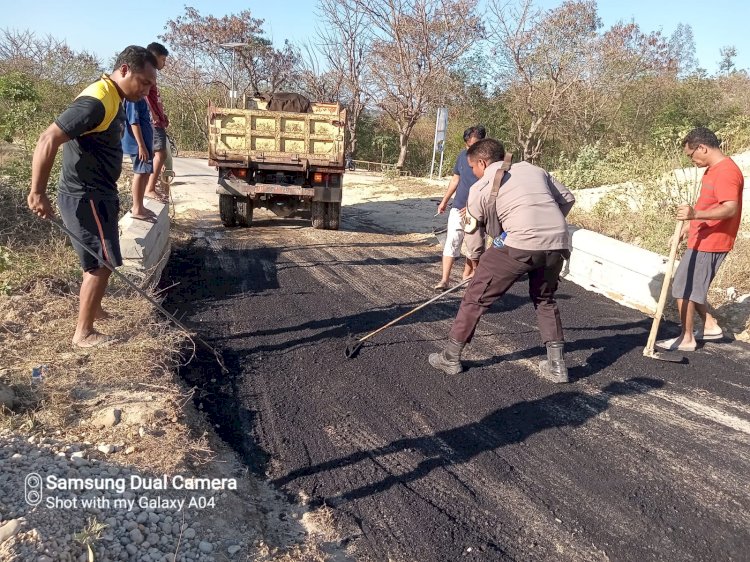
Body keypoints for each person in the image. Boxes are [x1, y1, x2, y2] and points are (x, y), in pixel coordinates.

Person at [27, 46, 157, 348]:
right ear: (124, 70)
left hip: (100, 193)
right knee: (101, 262)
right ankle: (83, 332)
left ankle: (95, 309)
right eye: (144, 82)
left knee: (104, 259)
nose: (147, 90)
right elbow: (48, 138)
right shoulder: (96, 101)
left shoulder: (115, 97)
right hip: (85, 195)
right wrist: (37, 192)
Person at [428, 138, 576, 383]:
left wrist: (477, 267)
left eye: (473, 167)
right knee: (545, 299)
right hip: (557, 243)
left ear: (483, 163)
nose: (473, 173)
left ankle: (450, 357)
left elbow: (474, 237)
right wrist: (544, 228)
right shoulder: (533, 169)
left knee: (474, 298)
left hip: (518, 245)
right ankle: (557, 366)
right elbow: (567, 198)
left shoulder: (480, 188)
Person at [656, 127, 744, 352]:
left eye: (691, 155)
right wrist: (690, 225)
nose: (691, 160)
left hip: (712, 241)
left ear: (702, 148)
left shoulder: (726, 172)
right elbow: (710, 205)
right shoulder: (713, 169)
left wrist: (695, 214)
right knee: (691, 288)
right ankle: (710, 326)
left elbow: (730, 209)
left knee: (683, 288)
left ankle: (686, 339)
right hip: (701, 236)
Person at [434, 125, 487, 290]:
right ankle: (444, 280)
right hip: (458, 207)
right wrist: (444, 201)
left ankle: (467, 277)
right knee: (452, 241)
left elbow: (491, 188)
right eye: (468, 145)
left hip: (477, 211)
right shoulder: (462, 156)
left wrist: (476, 208)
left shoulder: (491, 162)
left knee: (474, 246)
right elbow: (455, 180)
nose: (470, 149)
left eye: (474, 146)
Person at [144, 42, 171, 203]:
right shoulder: (147, 72)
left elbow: (155, 99)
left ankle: (151, 188)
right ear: (154, 57)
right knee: (160, 154)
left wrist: (162, 115)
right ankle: (150, 189)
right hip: (153, 122)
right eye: (163, 59)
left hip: (158, 121)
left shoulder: (152, 73)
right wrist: (153, 114)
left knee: (159, 155)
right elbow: (145, 96)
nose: (164, 63)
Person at [122, 96, 155, 220]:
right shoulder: (132, 99)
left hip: (145, 143)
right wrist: (141, 145)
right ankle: (137, 208)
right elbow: (133, 122)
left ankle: (140, 205)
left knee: (145, 172)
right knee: (140, 173)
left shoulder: (140, 98)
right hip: (137, 145)